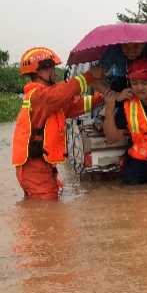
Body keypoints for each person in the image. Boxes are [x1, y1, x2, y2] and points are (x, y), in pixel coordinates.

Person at [12, 47, 103, 200]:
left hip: (39, 166)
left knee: (43, 212)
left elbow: (75, 106)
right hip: (35, 168)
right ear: (41, 73)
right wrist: (89, 77)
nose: (55, 73)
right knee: (48, 212)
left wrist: (101, 98)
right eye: (52, 69)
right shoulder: (40, 96)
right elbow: (64, 92)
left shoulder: (47, 99)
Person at [90, 42, 147, 126]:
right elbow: (91, 78)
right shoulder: (114, 50)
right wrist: (116, 96)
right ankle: (105, 112)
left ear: (143, 44)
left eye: (136, 46)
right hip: (122, 80)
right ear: (121, 45)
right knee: (116, 88)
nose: (131, 51)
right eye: (126, 46)